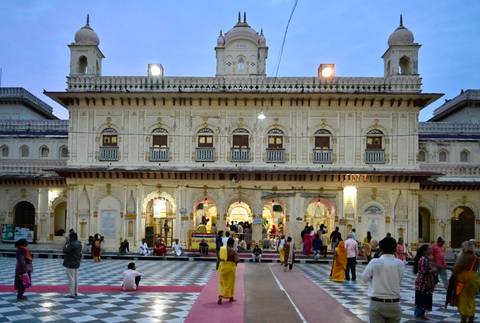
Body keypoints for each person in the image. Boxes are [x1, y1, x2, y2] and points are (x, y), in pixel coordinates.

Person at [361, 236, 405, 323]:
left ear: (380, 249)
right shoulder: (400, 264)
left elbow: (364, 278)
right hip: (394, 304)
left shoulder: (374, 262)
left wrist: (374, 279)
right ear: (395, 249)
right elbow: (399, 280)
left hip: (377, 303)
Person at [452, 240, 479, 323]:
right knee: (471, 301)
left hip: (463, 282)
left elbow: (456, 269)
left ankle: (463, 320)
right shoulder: (475, 257)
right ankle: (471, 319)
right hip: (474, 281)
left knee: (463, 302)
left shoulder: (463, 256)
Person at [413, 244, 436, 320]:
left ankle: (421, 314)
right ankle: (419, 315)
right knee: (422, 298)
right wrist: (433, 270)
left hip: (425, 281)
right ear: (425, 251)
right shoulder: (423, 259)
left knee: (425, 298)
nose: (431, 249)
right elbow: (423, 271)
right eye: (429, 248)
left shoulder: (426, 258)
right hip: (423, 282)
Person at [217, 237, 239, 304]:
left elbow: (219, 258)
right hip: (230, 268)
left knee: (222, 283)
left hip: (223, 267)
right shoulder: (233, 251)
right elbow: (237, 260)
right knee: (230, 283)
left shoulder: (222, 249)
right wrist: (235, 263)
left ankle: (220, 297)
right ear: (232, 244)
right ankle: (231, 298)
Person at [63, 232, 82, 298]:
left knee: (71, 278)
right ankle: (75, 292)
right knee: (75, 278)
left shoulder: (72, 244)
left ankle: (71, 293)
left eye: (69, 237)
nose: (68, 238)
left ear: (72, 238)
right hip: (76, 262)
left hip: (70, 263)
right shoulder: (79, 243)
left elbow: (65, 250)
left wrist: (66, 243)